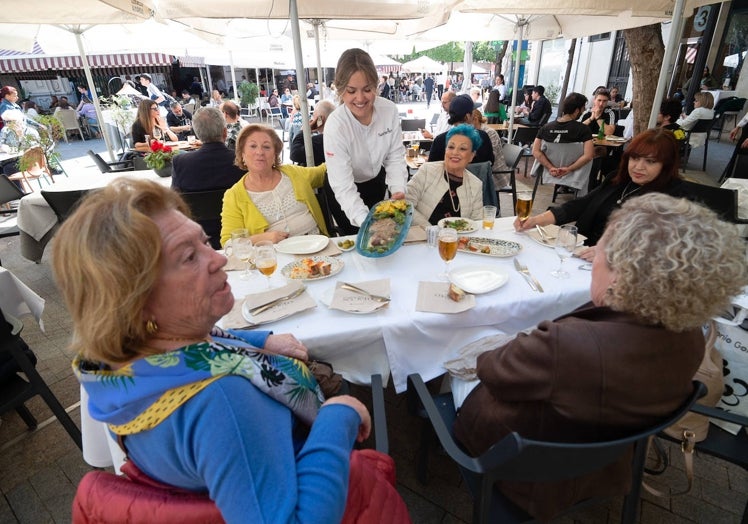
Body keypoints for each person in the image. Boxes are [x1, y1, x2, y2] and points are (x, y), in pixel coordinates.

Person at [53, 178, 384, 523]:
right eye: (189, 257)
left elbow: (201, 346)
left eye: (206, 242)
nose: (220, 259)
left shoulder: (119, 364)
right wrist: (337, 415)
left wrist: (260, 340)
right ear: (134, 301)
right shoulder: (224, 401)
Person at [455, 192, 747, 523]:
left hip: (525, 469)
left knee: (460, 359)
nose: (591, 259)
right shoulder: (692, 338)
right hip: (608, 458)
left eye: (599, 252)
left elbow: (490, 368)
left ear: (624, 273)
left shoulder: (569, 345)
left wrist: (517, 342)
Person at [515, 128, 690, 248]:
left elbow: (656, 245)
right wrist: (536, 220)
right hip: (583, 251)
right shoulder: (618, 179)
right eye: (635, 159)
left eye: (650, 161)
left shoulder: (674, 197)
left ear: (666, 165)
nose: (638, 167)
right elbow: (581, 205)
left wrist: (606, 254)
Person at [323, 48, 408, 233]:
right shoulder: (336, 125)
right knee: (360, 238)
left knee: (386, 236)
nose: (360, 98)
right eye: (351, 91)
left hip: (376, 181)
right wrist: (366, 222)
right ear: (340, 89)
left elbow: (395, 157)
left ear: (376, 85)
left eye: (367, 89)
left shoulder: (389, 110)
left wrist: (398, 189)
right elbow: (343, 186)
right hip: (343, 188)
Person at [221, 124, 329, 245]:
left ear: (275, 155)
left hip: (316, 246)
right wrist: (261, 239)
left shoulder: (293, 173)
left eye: (266, 147)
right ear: (242, 154)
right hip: (271, 257)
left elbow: (324, 171)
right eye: (253, 146)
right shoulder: (234, 196)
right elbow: (228, 243)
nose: (260, 152)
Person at [406, 124, 485, 227]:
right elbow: (406, 203)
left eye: (463, 149)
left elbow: (476, 222)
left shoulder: (475, 184)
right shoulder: (427, 171)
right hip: (422, 237)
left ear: (471, 156)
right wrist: (431, 231)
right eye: (451, 147)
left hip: (456, 240)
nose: (455, 152)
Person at [531, 92, 594, 195]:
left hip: (550, 171)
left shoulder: (545, 128)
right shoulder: (583, 130)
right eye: (583, 109)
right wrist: (569, 169)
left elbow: (536, 151)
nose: (583, 112)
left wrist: (551, 167)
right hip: (575, 174)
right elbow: (589, 155)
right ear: (577, 110)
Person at [427, 94, 494, 166]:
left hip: (448, 177)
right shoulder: (483, 137)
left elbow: (431, 166)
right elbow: (491, 162)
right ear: (468, 116)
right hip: (480, 177)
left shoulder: (440, 140)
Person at [471, 109, 510, 187]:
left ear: (475, 119)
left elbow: (490, 157)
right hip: (481, 170)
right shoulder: (471, 132)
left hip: (494, 173)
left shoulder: (490, 133)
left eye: (467, 122)